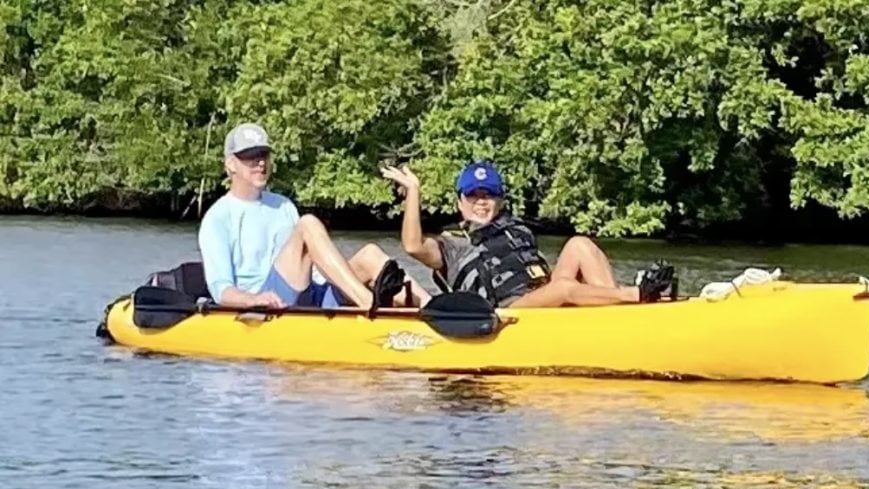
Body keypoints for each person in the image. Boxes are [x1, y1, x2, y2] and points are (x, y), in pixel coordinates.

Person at [381, 161, 675, 308]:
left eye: (490, 195)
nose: (482, 202)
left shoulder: (515, 228)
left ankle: (621, 317)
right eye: (474, 195)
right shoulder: (452, 245)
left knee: (580, 244)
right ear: (460, 201)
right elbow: (412, 245)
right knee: (563, 287)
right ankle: (633, 296)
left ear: (501, 200)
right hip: (511, 311)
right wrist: (414, 191)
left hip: (542, 294)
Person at [199, 122, 430, 310]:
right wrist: (253, 300)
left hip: (306, 291)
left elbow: (312, 264)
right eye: (250, 157)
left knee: (370, 254)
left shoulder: (283, 205)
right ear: (231, 164)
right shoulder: (217, 219)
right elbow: (221, 291)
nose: (260, 163)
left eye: (264, 155)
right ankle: (369, 303)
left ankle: (434, 309)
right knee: (308, 224)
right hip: (265, 301)